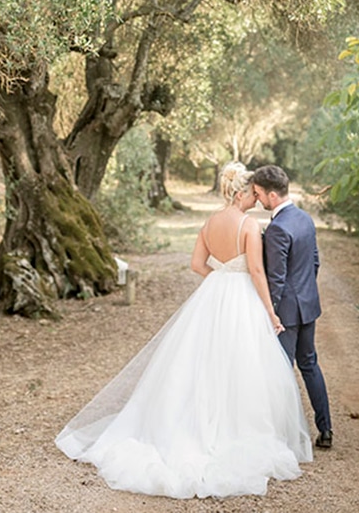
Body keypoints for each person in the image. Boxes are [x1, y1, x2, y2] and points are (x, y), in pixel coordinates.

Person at [55, 161, 312, 498]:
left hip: (212, 297)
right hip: (242, 299)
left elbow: (196, 265)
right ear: (240, 193)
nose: (255, 198)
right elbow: (258, 272)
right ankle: (233, 431)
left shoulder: (209, 223)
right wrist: (268, 310)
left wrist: (219, 280)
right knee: (241, 364)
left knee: (199, 362)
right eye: (251, 193)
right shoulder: (248, 225)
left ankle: (191, 424)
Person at [252, 164, 333, 449]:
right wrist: (305, 294)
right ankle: (326, 430)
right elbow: (314, 262)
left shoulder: (276, 229)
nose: (258, 199)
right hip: (308, 305)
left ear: (272, 195)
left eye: (259, 194)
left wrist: (270, 313)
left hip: (285, 311)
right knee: (310, 364)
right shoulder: (304, 219)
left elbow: (276, 278)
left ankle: (283, 437)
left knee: (281, 370)